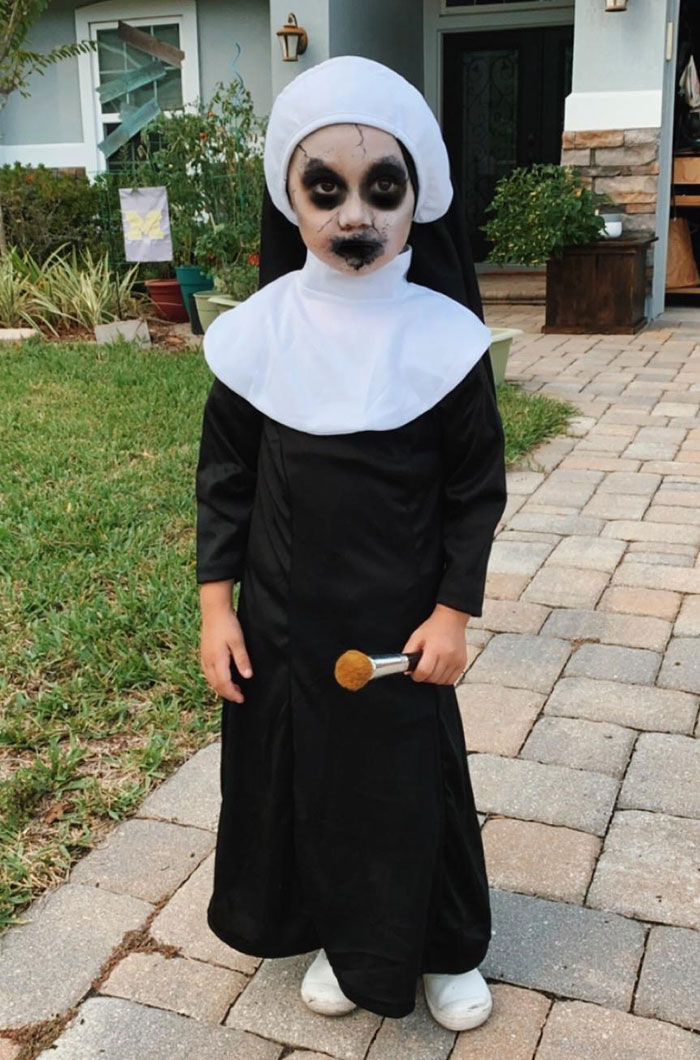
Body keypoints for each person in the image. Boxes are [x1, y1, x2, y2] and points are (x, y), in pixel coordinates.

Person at [195, 55, 507, 1030]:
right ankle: (343, 932)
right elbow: (225, 479)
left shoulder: (443, 340)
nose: (354, 216)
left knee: (413, 782)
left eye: (383, 187)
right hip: (287, 623)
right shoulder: (260, 334)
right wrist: (215, 607)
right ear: (290, 200)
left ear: (421, 197)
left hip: (404, 626)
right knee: (314, 784)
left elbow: (473, 489)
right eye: (324, 189)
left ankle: (445, 945)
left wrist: (454, 609)